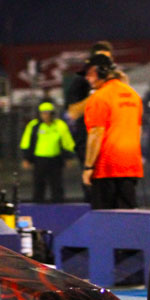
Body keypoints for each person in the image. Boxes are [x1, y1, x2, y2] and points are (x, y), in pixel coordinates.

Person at [81, 64, 143, 209]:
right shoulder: (134, 95)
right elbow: (138, 130)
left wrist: (89, 166)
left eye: (91, 75)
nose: (88, 79)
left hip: (106, 167)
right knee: (127, 215)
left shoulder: (100, 97)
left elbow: (96, 134)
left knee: (104, 216)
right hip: (130, 164)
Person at [66, 41, 116, 201]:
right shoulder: (81, 81)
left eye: (107, 60)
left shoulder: (115, 82)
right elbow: (73, 112)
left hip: (111, 142)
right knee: (94, 190)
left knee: (114, 190)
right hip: (88, 140)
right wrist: (96, 96)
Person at [20, 100, 75, 203]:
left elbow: (67, 141)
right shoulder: (34, 125)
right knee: (38, 184)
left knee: (57, 185)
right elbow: (26, 142)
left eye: (49, 113)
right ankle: (37, 204)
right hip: (39, 159)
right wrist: (26, 158)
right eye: (44, 113)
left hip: (55, 159)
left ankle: (58, 205)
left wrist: (69, 157)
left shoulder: (59, 125)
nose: (46, 116)